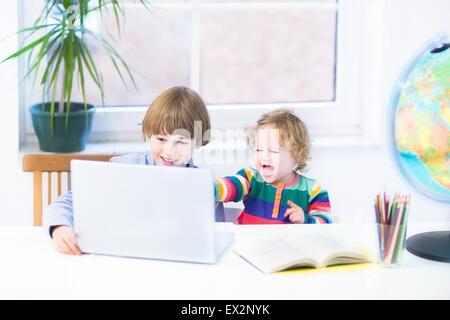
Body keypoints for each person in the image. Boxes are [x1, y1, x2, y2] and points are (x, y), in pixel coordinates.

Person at [46, 86, 224, 255]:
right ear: (148, 133)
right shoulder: (123, 168)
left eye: (181, 142)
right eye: (161, 139)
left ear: (198, 142)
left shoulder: (206, 185)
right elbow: (68, 201)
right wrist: (60, 228)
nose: (169, 151)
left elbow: (217, 235)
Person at [214, 108, 332, 224]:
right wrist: (211, 187)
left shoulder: (312, 191)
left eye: (274, 151)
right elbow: (232, 186)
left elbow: (325, 223)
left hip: (285, 243)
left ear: (296, 155)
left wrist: (305, 220)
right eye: (259, 149)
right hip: (249, 242)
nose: (264, 157)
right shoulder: (251, 178)